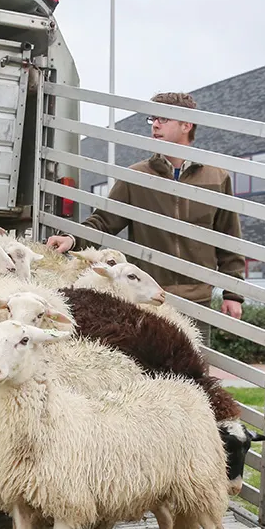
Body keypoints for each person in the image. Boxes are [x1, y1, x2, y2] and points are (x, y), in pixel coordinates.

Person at [46, 91, 246, 345]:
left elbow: (230, 238)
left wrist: (233, 294)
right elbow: (104, 221)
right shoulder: (136, 176)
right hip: (146, 295)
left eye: (163, 119)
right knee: (150, 375)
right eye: (152, 119)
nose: (155, 125)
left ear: (187, 124)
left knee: (194, 376)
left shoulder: (218, 178)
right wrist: (72, 239)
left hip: (198, 301)